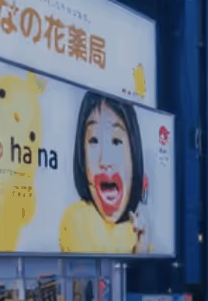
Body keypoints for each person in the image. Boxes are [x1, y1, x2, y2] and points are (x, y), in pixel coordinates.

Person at [58, 91, 153, 254]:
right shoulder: (77, 219)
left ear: (134, 153)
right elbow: (86, 279)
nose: (105, 160)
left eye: (116, 141)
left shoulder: (136, 230)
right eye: (93, 141)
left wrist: (141, 250)